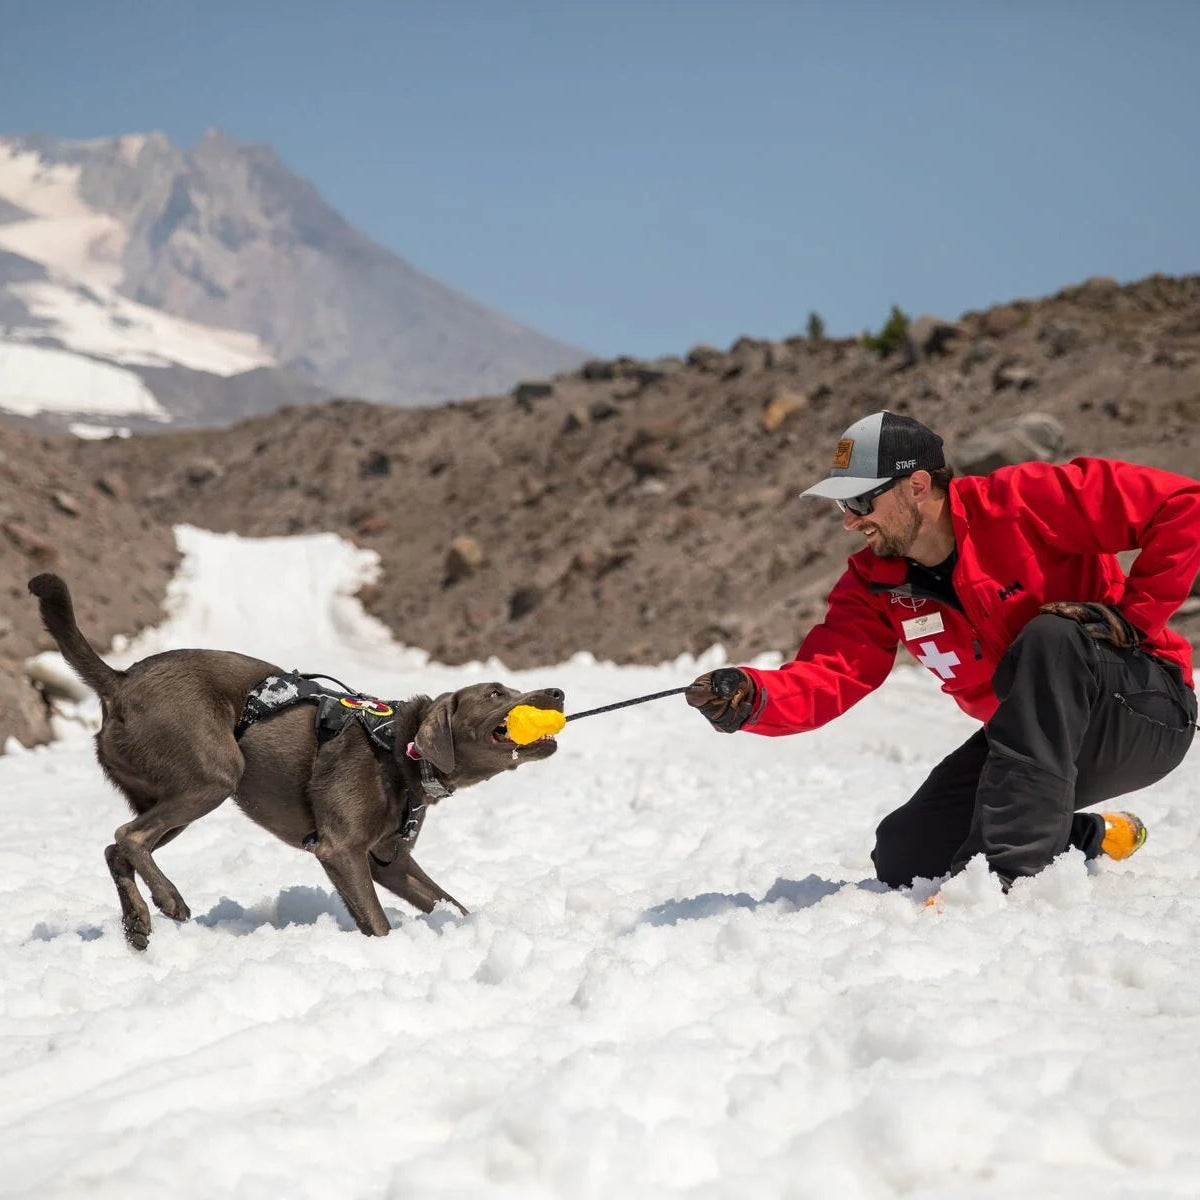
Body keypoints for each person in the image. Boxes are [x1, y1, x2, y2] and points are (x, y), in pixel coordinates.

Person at [686, 410, 1200, 889]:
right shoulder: (874, 584)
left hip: (1142, 711)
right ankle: (1091, 836)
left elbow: (1183, 504)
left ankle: (1011, 877)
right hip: (1034, 740)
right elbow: (831, 671)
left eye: (861, 502)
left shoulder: (1022, 500)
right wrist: (753, 698)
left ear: (917, 486)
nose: (850, 520)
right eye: (843, 505)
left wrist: (1134, 620)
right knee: (906, 853)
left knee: (1051, 635)